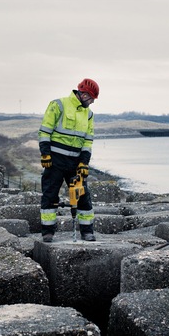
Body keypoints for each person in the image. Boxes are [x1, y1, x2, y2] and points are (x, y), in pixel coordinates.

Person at [38, 78, 100, 243]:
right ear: (84, 94)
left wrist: (84, 163)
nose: (92, 102)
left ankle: (87, 232)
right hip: (55, 161)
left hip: (75, 163)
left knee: (83, 196)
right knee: (50, 195)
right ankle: (48, 232)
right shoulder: (58, 105)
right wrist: (45, 154)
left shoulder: (89, 114)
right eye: (92, 98)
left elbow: (87, 141)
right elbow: (45, 131)